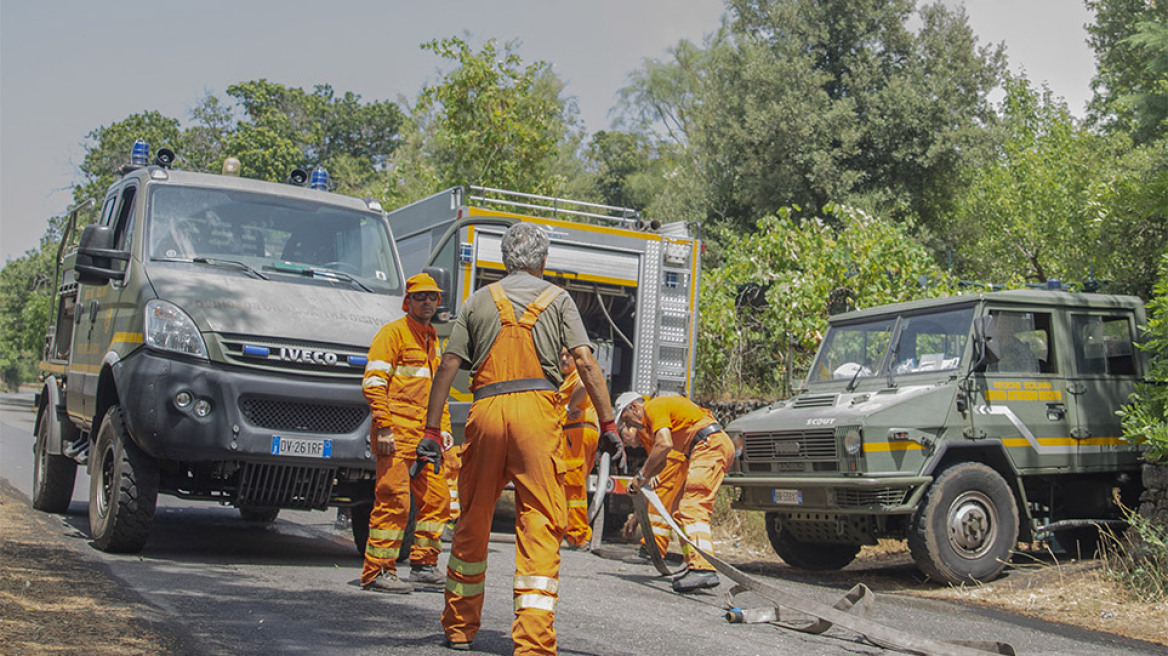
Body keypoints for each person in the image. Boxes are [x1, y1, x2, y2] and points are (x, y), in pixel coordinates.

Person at [423, 222, 622, 654]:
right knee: (538, 524)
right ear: (543, 261)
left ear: (503, 260)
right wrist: (607, 424)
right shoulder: (560, 300)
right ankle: (532, 643)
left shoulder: (478, 301)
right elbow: (586, 363)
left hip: (487, 411)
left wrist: (430, 429)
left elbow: (447, 366)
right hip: (537, 416)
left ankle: (459, 628)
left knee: (473, 518)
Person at [359, 272, 454, 594]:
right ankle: (377, 571)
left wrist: (442, 429)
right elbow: (373, 384)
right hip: (396, 433)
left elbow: (436, 390)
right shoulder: (392, 334)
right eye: (420, 296)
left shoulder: (431, 337)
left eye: (433, 297)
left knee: (438, 500)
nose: (427, 302)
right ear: (407, 301)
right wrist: (383, 427)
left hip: (425, 436)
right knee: (394, 501)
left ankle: (424, 565)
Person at [617, 392, 735, 593]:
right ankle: (694, 565)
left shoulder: (653, 407)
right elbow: (661, 461)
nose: (632, 427)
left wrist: (640, 476)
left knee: (693, 507)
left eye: (627, 421)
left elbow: (665, 444)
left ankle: (703, 568)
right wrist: (642, 481)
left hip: (708, 445)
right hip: (707, 445)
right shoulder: (651, 420)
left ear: (634, 408)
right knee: (683, 511)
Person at [558, 347, 600, 549]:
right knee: (576, 482)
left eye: (569, 356)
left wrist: (569, 407)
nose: (564, 359)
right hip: (584, 432)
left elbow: (584, 386)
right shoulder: (570, 378)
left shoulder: (578, 376)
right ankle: (574, 530)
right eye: (562, 356)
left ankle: (577, 535)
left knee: (573, 484)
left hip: (576, 432)